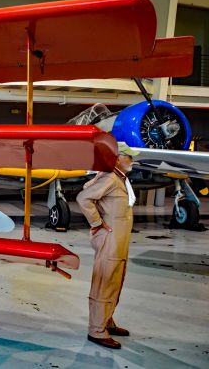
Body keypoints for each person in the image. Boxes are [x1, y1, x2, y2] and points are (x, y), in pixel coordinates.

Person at [76, 142, 139, 349]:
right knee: (105, 281)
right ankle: (96, 330)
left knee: (115, 280)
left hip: (119, 239)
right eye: (128, 156)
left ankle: (106, 320)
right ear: (117, 158)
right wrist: (97, 224)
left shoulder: (119, 178)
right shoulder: (110, 177)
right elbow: (84, 198)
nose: (132, 160)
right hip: (110, 238)